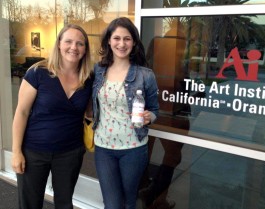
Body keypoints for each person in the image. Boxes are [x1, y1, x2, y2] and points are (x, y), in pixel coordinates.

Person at [11, 24, 94, 209]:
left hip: (70, 152)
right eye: (69, 42)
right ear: (59, 45)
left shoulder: (89, 78)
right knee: (30, 204)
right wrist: (16, 152)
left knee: (64, 204)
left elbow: (89, 113)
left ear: (85, 49)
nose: (74, 47)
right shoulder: (37, 73)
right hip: (34, 151)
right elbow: (21, 112)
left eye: (80, 43)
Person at [92, 17, 159, 209]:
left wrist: (149, 117)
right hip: (103, 147)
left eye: (127, 39)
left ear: (134, 42)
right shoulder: (98, 70)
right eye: (117, 38)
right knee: (112, 204)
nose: (122, 44)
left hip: (134, 148)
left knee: (129, 202)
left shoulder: (145, 75)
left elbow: (155, 110)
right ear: (109, 41)